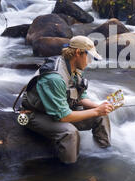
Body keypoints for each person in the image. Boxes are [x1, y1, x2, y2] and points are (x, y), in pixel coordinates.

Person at [19, 35, 114, 164]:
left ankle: (105, 156)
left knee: (101, 116)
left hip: (59, 108)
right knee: (70, 133)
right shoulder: (54, 78)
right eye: (89, 57)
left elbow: (80, 96)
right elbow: (63, 117)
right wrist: (97, 111)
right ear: (77, 53)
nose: (90, 62)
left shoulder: (75, 67)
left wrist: (98, 107)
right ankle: (69, 173)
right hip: (35, 114)